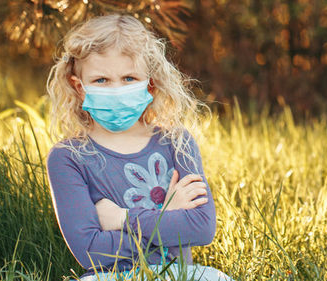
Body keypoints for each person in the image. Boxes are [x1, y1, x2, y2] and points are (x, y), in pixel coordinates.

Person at [44, 14, 231, 280]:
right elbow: (91, 252)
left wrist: (123, 219)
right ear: (79, 87)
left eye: (129, 78)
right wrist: (167, 218)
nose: (116, 90)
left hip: (178, 275)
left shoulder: (177, 142)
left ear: (150, 84)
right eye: (101, 80)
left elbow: (202, 228)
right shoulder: (68, 157)